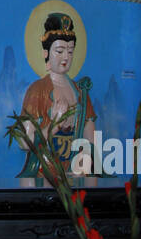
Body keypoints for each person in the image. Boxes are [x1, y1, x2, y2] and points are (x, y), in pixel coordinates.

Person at [17, 13, 96, 187]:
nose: (66, 57)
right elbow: (24, 142)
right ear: (46, 53)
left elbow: (90, 144)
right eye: (59, 51)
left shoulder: (81, 92)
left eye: (70, 51)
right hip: (42, 173)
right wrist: (55, 124)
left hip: (74, 175)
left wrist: (85, 173)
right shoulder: (37, 91)